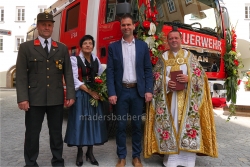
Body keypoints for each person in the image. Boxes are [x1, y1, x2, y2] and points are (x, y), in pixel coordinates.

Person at [143, 30, 218, 167]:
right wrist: (166, 82)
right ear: (168, 40)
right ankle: (171, 160)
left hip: (188, 101)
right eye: (171, 38)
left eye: (176, 38)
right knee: (172, 127)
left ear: (181, 39)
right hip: (169, 100)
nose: (173, 40)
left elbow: (202, 77)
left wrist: (189, 78)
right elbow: (155, 76)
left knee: (187, 127)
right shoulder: (163, 57)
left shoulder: (190, 56)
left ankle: (188, 160)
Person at [16, 11, 75, 167]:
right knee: (32, 134)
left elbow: (68, 73)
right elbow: (21, 75)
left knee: (56, 133)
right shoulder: (26, 47)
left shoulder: (61, 48)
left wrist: (70, 94)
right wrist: (22, 98)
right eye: (43, 25)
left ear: (53, 27)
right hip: (34, 98)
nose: (47, 27)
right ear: (38, 27)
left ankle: (57, 161)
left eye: (49, 25)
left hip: (55, 98)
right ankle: (30, 163)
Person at [107, 13, 153, 167]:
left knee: (136, 126)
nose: (126, 27)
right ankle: (121, 157)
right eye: (123, 25)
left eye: (128, 24)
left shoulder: (142, 46)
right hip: (121, 92)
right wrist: (112, 92)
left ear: (134, 26)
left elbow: (147, 69)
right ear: (120, 27)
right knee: (120, 126)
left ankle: (136, 157)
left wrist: (148, 89)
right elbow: (111, 72)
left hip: (137, 92)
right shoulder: (113, 47)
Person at [64, 35, 108, 167]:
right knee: (80, 123)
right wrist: (90, 91)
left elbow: (100, 74)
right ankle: (79, 152)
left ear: (93, 46)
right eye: (85, 43)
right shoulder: (74, 59)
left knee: (92, 123)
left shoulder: (96, 59)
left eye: (90, 43)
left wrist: (100, 89)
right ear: (81, 46)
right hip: (82, 95)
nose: (88, 45)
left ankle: (90, 152)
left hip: (94, 96)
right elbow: (74, 79)